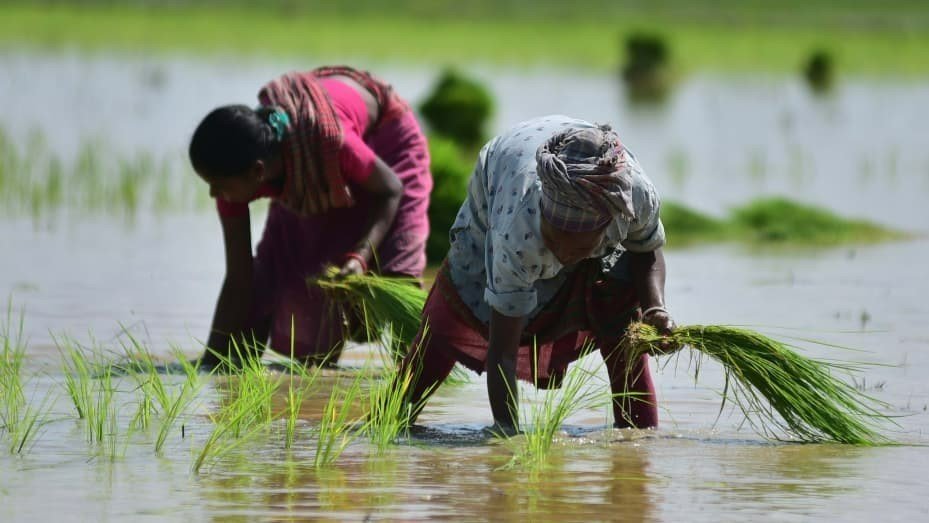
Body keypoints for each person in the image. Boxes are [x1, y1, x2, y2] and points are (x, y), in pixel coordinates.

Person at [398, 115, 674, 433]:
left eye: (577, 247)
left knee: (623, 324)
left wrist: (656, 309)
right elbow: (501, 354)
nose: (563, 254)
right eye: (554, 238)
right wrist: (507, 433)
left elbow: (647, 251)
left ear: (606, 227)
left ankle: (639, 438)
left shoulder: (635, 198)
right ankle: (391, 417)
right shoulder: (516, 231)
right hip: (502, 179)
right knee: (453, 316)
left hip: (584, 176)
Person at [188, 66, 432, 368]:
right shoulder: (245, 171)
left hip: (387, 145)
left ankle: (415, 381)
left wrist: (360, 256)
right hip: (314, 161)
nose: (214, 194)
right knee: (287, 276)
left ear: (258, 173)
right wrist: (210, 360)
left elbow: (391, 189)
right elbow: (240, 277)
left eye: (220, 187)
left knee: (397, 274)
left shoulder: (331, 141)